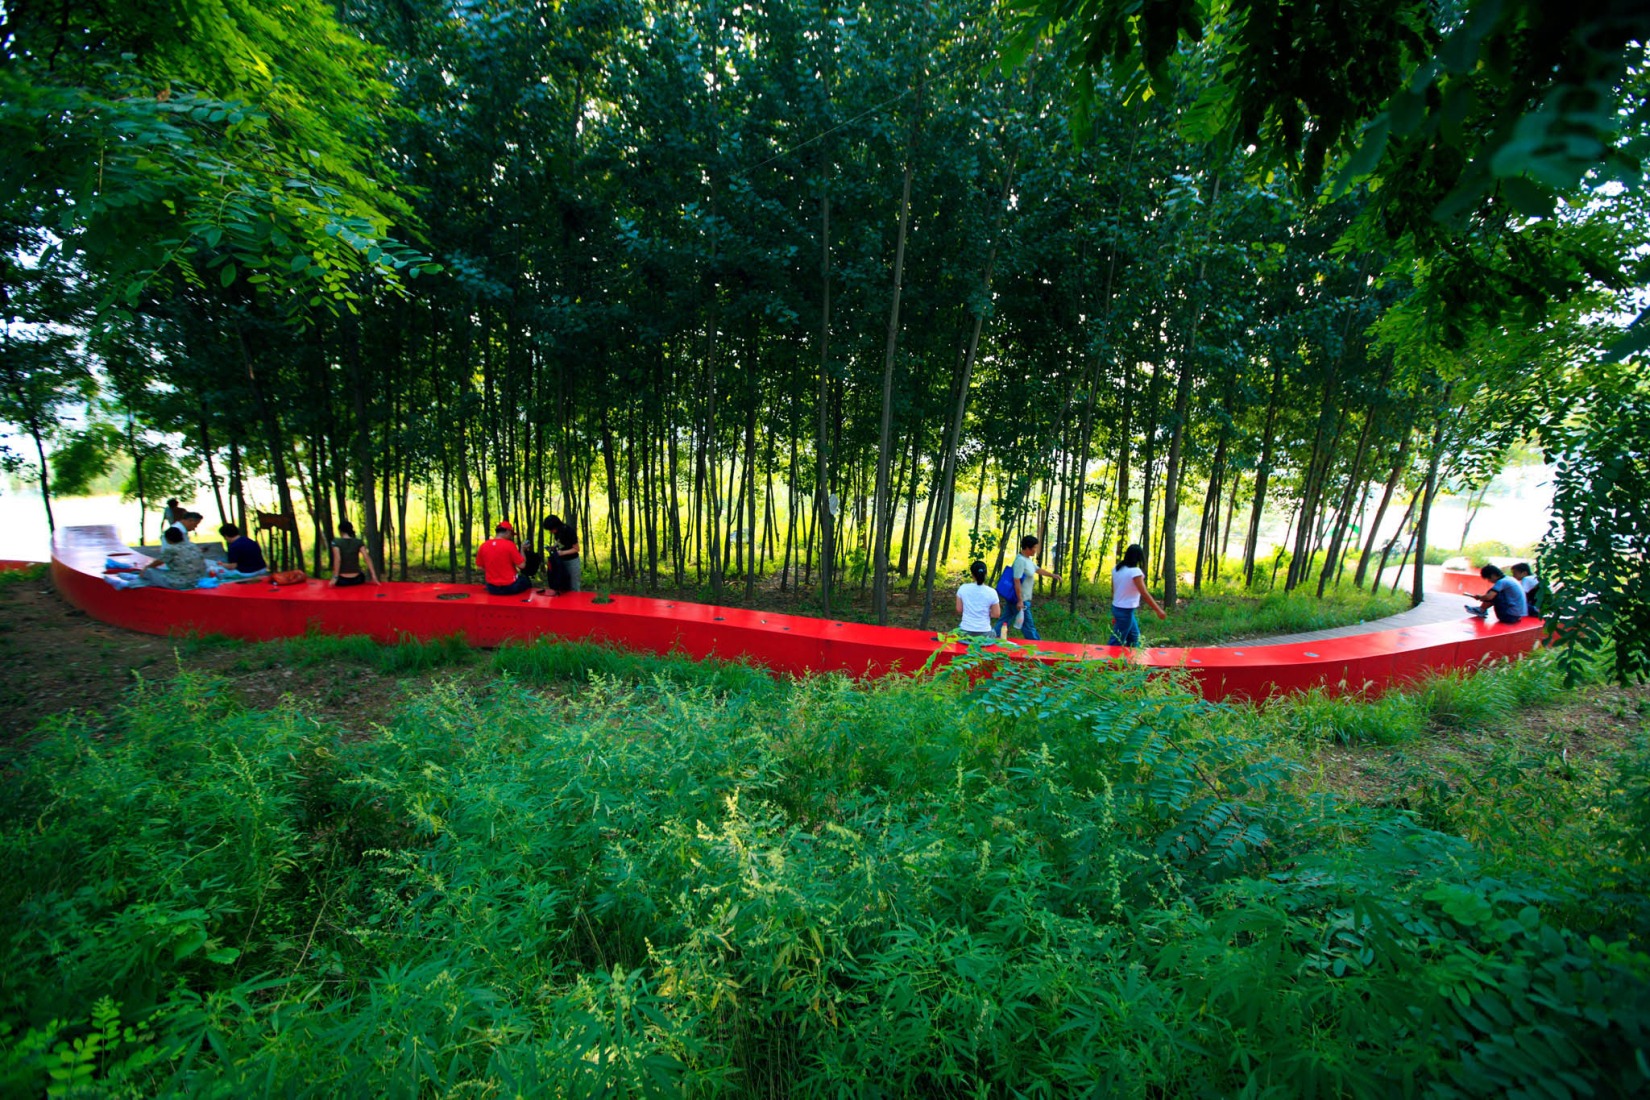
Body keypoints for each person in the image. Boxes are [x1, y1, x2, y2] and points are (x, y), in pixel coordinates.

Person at [995, 535, 1059, 641]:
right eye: (1034, 547)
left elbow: (1037, 569)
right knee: (1028, 626)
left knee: (1005, 620)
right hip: (1021, 599)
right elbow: (1016, 580)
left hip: (1019, 599)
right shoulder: (1020, 561)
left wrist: (1052, 575)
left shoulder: (1027, 560)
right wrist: (1020, 600)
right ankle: (1037, 645)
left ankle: (992, 637)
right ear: (1027, 548)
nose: (1036, 550)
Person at [110, 526, 206, 590]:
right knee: (159, 573)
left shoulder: (172, 549)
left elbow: (157, 563)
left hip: (181, 582)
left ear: (168, 539)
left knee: (150, 571)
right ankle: (130, 580)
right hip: (198, 579)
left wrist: (145, 569)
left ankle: (128, 583)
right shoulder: (192, 545)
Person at [1109, 543, 1167, 647]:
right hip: (1125, 611)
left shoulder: (1117, 569)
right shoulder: (1135, 572)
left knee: (1134, 638)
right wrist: (1158, 610)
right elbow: (1144, 593)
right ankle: (1106, 657)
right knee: (1116, 641)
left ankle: (1134, 656)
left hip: (1118, 608)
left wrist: (1115, 614)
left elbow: (1114, 591)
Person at [477, 520, 531, 595]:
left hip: (492, 588)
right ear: (508, 531)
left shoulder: (484, 546)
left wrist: (493, 572)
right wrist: (522, 550)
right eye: (511, 534)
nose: (511, 536)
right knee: (526, 580)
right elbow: (522, 565)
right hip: (510, 587)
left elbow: (480, 567)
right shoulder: (510, 545)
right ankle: (525, 601)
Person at [956, 560, 1002, 640]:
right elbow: (996, 614)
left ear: (972, 574)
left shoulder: (963, 588)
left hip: (965, 632)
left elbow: (959, 609)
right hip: (984, 633)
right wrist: (987, 612)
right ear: (986, 574)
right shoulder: (992, 592)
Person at [540, 513, 582, 593]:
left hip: (572, 561)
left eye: (551, 529)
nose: (551, 531)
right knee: (563, 587)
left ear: (556, 526)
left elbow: (576, 549)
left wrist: (562, 553)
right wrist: (554, 546)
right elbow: (560, 540)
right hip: (561, 562)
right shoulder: (557, 532)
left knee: (574, 587)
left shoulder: (569, 531)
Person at [330, 520, 379, 588]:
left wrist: (335, 577)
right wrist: (373, 575)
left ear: (340, 530)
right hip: (357, 579)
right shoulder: (358, 542)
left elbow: (337, 559)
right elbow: (366, 558)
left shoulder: (336, 542)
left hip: (342, 580)